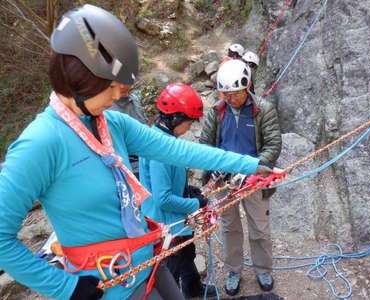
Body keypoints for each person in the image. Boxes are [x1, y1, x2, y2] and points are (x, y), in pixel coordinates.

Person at [0, 5, 279, 300]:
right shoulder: (41, 144)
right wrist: (64, 287)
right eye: (112, 88)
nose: (120, 96)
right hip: (108, 283)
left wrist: (251, 164)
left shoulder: (110, 123)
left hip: (147, 260)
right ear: (82, 83)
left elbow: (179, 151)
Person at [199, 59, 282, 296]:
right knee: (229, 227)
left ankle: (263, 270)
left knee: (260, 228)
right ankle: (234, 270)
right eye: (225, 93)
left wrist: (255, 167)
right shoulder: (217, 111)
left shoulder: (263, 109)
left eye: (234, 94)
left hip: (254, 179)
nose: (230, 98)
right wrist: (213, 168)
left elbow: (273, 145)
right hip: (225, 181)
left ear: (247, 87)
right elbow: (205, 144)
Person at [140, 83, 217, 299]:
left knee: (187, 254)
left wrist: (188, 190)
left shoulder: (164, 140)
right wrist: (196, 204)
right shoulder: (159, 150)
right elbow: (162, 198)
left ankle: (193, 288)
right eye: (190, 122)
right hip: (166, 225)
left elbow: (171, 181)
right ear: (175, 118)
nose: (190, 127)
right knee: (171, 268)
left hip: (176, 219)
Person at [109, 85, 147, 177]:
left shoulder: (135, 100)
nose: (123, 85)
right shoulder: (106, 108)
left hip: (143, 158)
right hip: (123, 165)